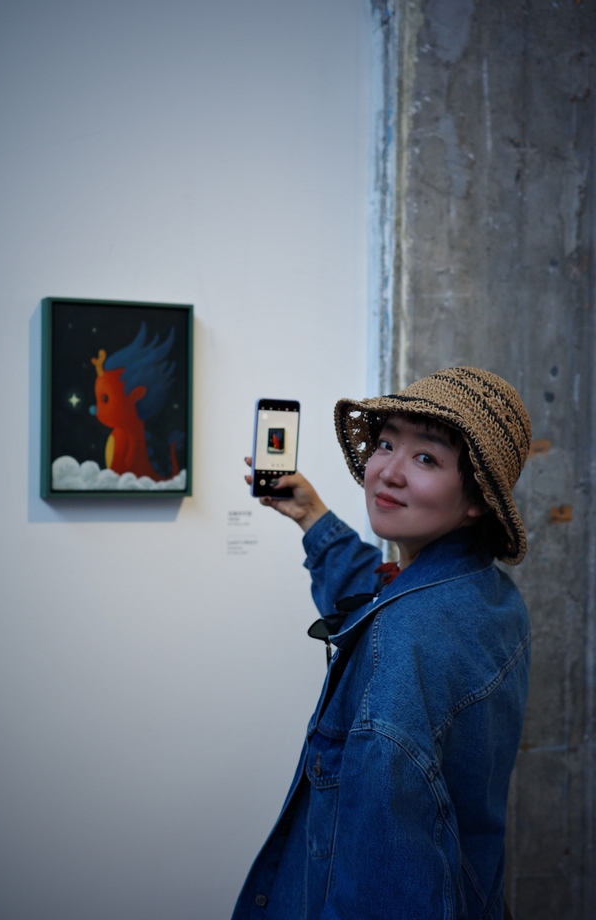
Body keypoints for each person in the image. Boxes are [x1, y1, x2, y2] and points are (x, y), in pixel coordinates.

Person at [231, 367, 531, 920]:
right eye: (387, 443)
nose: (388, 472)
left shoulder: (399, 644)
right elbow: (380, 592)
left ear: (476, 499)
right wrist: (313, 518)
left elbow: (383, 891)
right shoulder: (486, 596)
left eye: (427, 458)